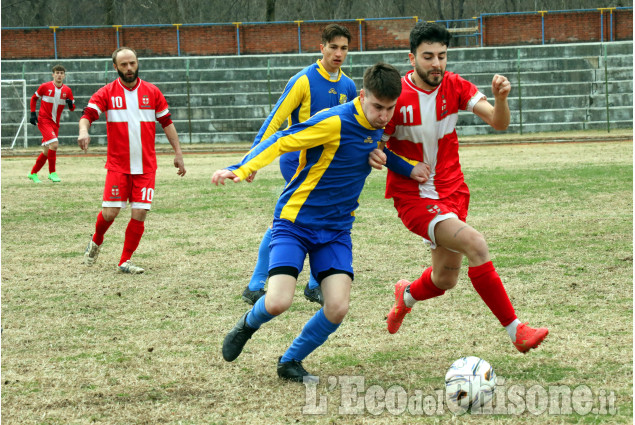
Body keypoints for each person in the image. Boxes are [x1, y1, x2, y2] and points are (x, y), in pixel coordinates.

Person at [214, 63, 426, 382]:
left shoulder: (380, 122)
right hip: (295, 222)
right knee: (278, 301)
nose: (384, 116)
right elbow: (284, 139)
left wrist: (407, 168)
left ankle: (290, 361)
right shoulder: (335, 120)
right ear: (363, 95)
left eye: (390, 108)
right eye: (378, 107)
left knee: (337, 307)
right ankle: (246, 325)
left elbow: (378, 147)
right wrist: (241, 168)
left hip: (335, 231)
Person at [370, 22, 548, 353]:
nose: (436, 64)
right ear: (412, 58)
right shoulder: (395, 96)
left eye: (441, 56)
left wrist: (500, 99)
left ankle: (405, 295)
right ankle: (516, 331)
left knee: (445, 279)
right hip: (414, 198)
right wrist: (406, 167)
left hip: (453, 193)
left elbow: (498, 122)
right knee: (476, 243)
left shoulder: (455, 85)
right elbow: (375, 147)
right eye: (428, 57)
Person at [241, 23, 358, 307]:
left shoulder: (349, 86)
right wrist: (253, 158)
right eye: (333, 47)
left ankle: (315, 284)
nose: (338, 53)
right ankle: (257, 283)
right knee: (292, 220)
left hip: (330, 168)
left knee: (327, 218)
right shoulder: (303, 80)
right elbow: (276, 118)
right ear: (321, 48)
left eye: (344, 48)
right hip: (299, 163)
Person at [78, 47, 186, 274]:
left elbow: (167, 122)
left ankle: (124, 261)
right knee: (110, 213)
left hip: (146, 167)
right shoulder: (106, 92)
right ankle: (96, 240)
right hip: (118, 165)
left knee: (140, 212)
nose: (129, 68)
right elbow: (87, 115)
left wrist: (178, 152)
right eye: (124, 64)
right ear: (115, 67)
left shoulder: (152, 92)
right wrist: (83, 131)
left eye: (133, 63)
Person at [27, 64, 75, 183]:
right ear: (53, 74)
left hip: (55, 123)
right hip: (43, 120)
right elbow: (34, 98)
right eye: (57, 73)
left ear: (64, 76)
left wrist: (70, 104)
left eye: (61, 73)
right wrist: (32, 114)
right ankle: (52, 173)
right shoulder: (45, 86)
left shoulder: (67, 90)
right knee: (54, 144)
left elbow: (72, 108)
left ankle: (33, 173)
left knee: (47, 151)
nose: (59, 75)